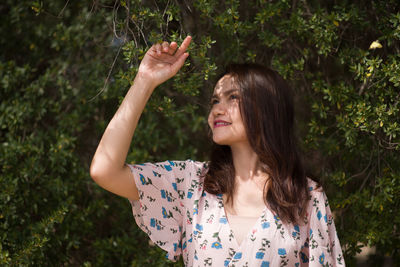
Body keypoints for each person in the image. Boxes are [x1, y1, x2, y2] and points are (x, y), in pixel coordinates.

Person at [90, 36, 345, 266]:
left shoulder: (306, 197)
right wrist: (144, 81)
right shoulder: (191, 184)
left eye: (233, 97)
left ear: (267, 108)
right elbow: (105, 170)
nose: (217, 109)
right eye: (215, 101)